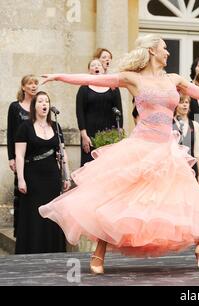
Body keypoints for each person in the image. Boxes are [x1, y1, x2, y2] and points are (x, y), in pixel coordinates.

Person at [39, 34, 199, 274]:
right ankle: (98, 253)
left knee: (187, 195)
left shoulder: (174, 79)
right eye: (164, 48)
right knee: (119, 198)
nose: (168, 52)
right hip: (141, 146)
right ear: (152, 51)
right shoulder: (133, 78)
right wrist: (59, 76)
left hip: (167, 148)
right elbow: (91, 79)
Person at [14, 91, 69, 254]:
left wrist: (66, 175)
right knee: (34, 213)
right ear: (34, 106)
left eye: (47, 101)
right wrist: (21, 179)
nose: (44, 104)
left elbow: (62, 152)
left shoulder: (56, 126)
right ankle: (32, 250)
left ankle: (53, 249)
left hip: (52, 175)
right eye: (40, 101)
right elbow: (19, 155)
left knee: (52, 212)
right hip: (33, 176)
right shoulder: (25, 127)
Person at [7, 75, 39, 237]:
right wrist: (11, 157)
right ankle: (19, 231)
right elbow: (11, 133)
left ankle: (32, 228)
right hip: (20, 157)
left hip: (36, 158)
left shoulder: (40, 106)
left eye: (35, 83)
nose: (33, 86)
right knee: (20, 192)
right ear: (23, 87)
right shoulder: (15, 107)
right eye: (30, 84)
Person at [76, 59, 123, 166]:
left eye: (98, 65)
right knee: (90, 165)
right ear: (89, 70)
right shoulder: (84, 89)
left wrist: (119, 133)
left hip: (109, 133)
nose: (96, 67)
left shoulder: (113, 88)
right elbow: (80, 113)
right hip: (90, 134)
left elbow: (120, 112)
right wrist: (84, 135)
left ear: (103, 69)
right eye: (93, 65)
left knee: (108, 165)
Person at [173, 94, 199, 185]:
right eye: (181, 102)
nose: (185, 105)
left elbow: (197, 151)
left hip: (191, 167)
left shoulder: (195, 125)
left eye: (186, 102)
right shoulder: (169, 123)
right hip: (174, 166)